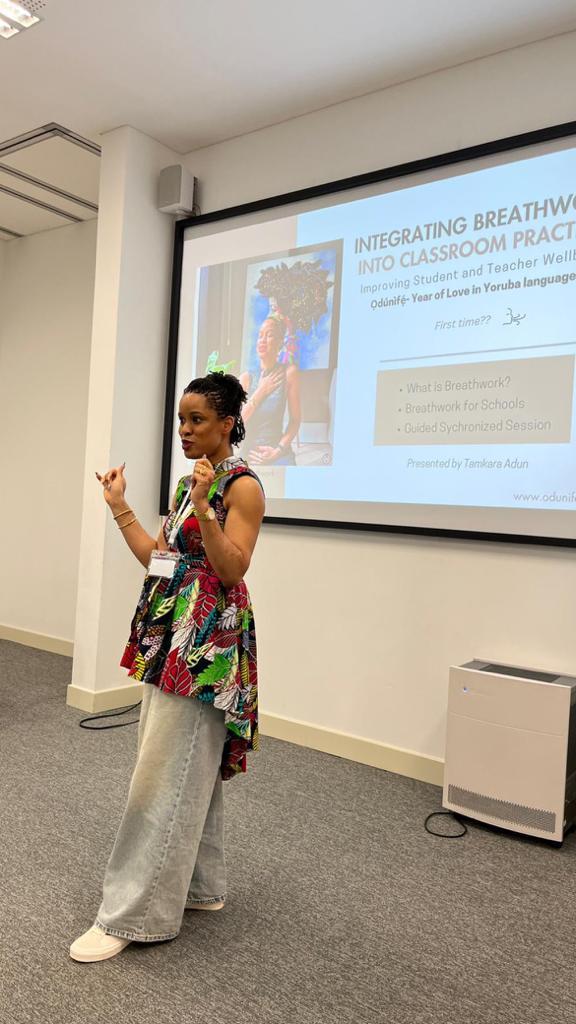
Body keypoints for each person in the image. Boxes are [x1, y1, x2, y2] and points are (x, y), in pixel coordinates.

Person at [70, 372, 265, 963]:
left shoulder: (243, 487)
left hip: (207, 646)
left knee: (162, 771)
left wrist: (206, 508)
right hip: (171, 636)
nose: (184, 430)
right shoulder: (188, 483)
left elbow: (231, 569)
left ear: (227, 423)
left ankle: (133, 914)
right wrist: (119, 506)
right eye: (181, 420)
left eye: (196, 420)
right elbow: (159, 561)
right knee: (184, 761)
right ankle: (201, 887)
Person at [239, 315, 301, 465]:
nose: (262, 340)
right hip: (251, 454)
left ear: (280, 342)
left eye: (269, 335)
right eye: (260, 335)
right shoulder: (246, 379)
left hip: (277, 450)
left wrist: (278, 451)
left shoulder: (289, 373)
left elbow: (295, 420)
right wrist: (261, 391)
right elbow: (236, 424)